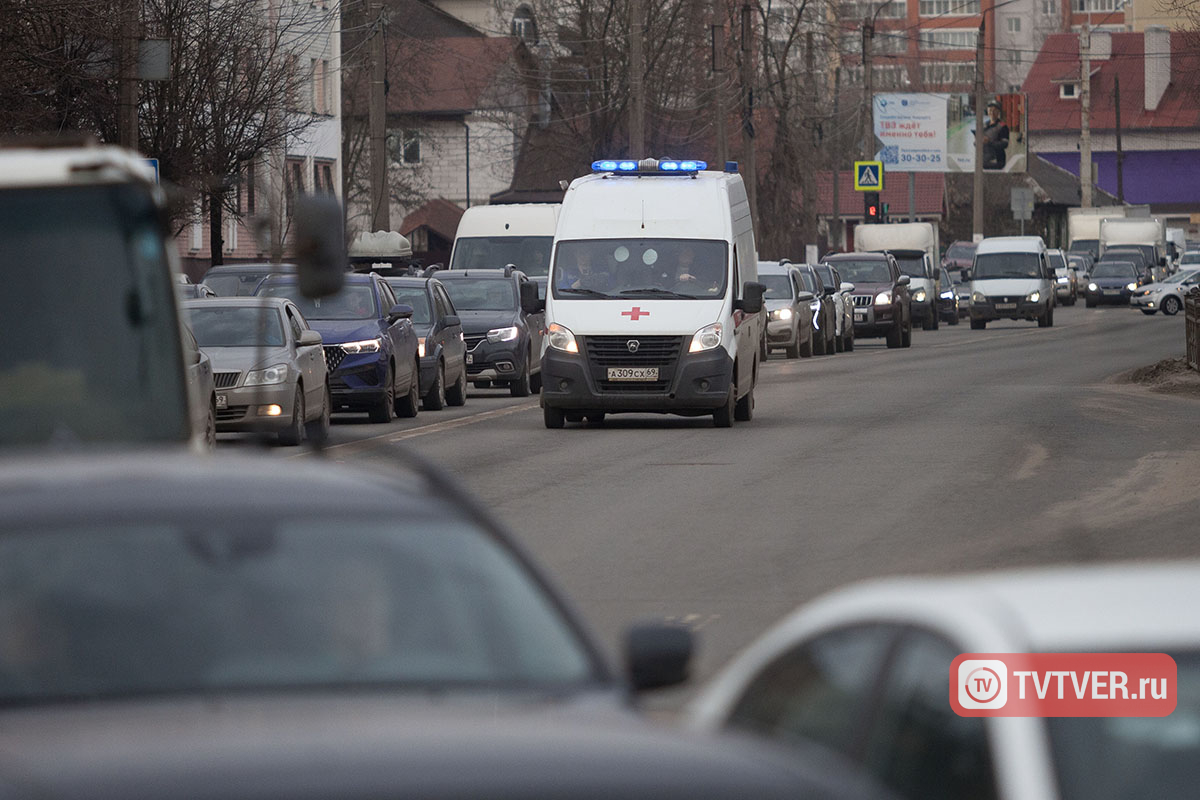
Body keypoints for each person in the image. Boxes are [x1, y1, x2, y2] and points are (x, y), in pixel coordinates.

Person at [982, 99, 1009, 170]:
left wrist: (989, 142)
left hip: (996, 161)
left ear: (998, 112)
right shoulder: (984, 125)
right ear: (987, 111)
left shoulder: (1003, 126)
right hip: (984, 159)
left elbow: (1005, 144)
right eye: (990, 110)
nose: (992, 112)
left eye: (995, 110)